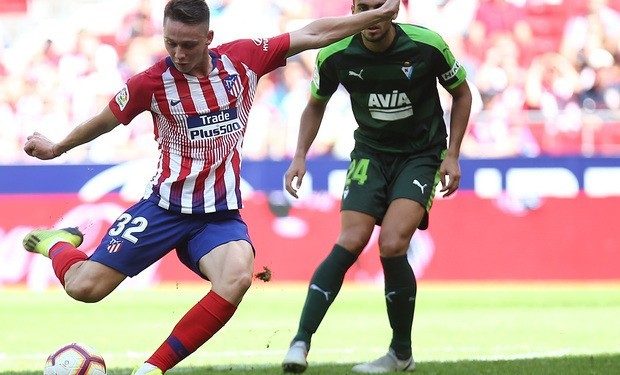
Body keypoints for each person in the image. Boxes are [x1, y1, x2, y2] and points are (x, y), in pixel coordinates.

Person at [21, 0, 401, 373]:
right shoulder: (151, 83)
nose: (179, 53)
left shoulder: (243, 60)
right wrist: (57, 147)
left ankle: (152, 369)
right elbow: (105, 120)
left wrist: (376, 15)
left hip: (217, 217)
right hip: (164, 208)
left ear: (209, 38)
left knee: (237, 275)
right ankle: (55, 243)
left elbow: (313, 32)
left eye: (188, 44)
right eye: (171, 42)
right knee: (84, 288)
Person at [281, 0, 472, 373]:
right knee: (350, 240)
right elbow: (315, 103)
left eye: (377, 7)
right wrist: (300, 155)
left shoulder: (427, 45)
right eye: (361, 7)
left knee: (392, 243)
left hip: (420, 155)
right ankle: (300, 341)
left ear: (394, 10)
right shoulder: (335, 53)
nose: (369, 17)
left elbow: (462, 93)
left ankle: (401, 353)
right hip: (370, 153)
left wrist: (453, 155)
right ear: (353, 9)